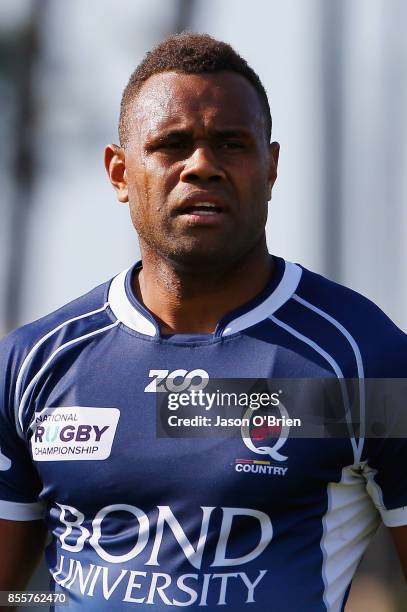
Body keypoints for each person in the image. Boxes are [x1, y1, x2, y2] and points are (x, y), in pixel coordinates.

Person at [0, 32, 405, 612]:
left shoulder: (363, 360)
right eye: (172, 144)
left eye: (231, 144)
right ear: (119, 172)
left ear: (271, 166)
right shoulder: (32, 363)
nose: (202, 167)